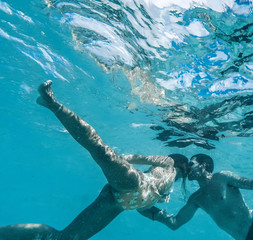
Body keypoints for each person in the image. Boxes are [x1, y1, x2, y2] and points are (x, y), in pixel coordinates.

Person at [0, 80, 189, 240]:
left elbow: (143, 206)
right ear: (181, 163)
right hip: (133, 184)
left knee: (63, 238)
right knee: (100, 149)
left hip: (116, 204)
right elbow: (140, 158)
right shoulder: (169, 162)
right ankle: (53, 104)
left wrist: (159, 215)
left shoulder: (166, 191)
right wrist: (118, 161)